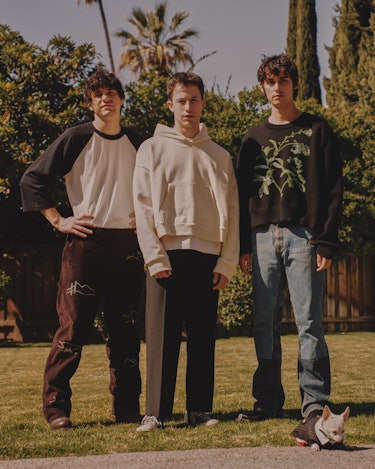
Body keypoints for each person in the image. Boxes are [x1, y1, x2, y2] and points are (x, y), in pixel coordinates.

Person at [19, 69, 145, 430]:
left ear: (122, 99)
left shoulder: (139, 142)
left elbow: (158, 186)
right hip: (86, 243)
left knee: (125, 331)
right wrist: (59, 220)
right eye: (98, 94)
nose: (106, 98)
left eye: (112, 93)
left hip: (128, 245)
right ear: (90, 102)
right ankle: (56, 409)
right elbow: (33, 178)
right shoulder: (76, 138)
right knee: (73, 330)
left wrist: (146, 217)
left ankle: (126, 408)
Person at [237, 54, 343, 422]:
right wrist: (241, 247)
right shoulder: (252, 137)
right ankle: (267, 402)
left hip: (305, 237)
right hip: (261, 238)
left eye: (283, 81)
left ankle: (314, 402)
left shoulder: (318, 130)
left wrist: (326, 241)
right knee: (263, 322)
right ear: (262, 86)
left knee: (308, 322)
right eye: (270, 81)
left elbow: (334, 190)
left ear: (294, 84)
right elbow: (240, 194)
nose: (277, 88)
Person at [132, 72, 239, 432]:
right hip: (166, 253)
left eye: (194, 99)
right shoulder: (151, 148)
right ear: (170, 105)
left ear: (203, 103)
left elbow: (233, 212)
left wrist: (226, 261)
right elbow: (143, 206)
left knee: (202, 335)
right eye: (181, 100)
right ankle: (155, 413)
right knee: (161, 337)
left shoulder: (220, 156)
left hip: (207, 256)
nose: (188, 107)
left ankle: (198, 410)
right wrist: (154, 255)